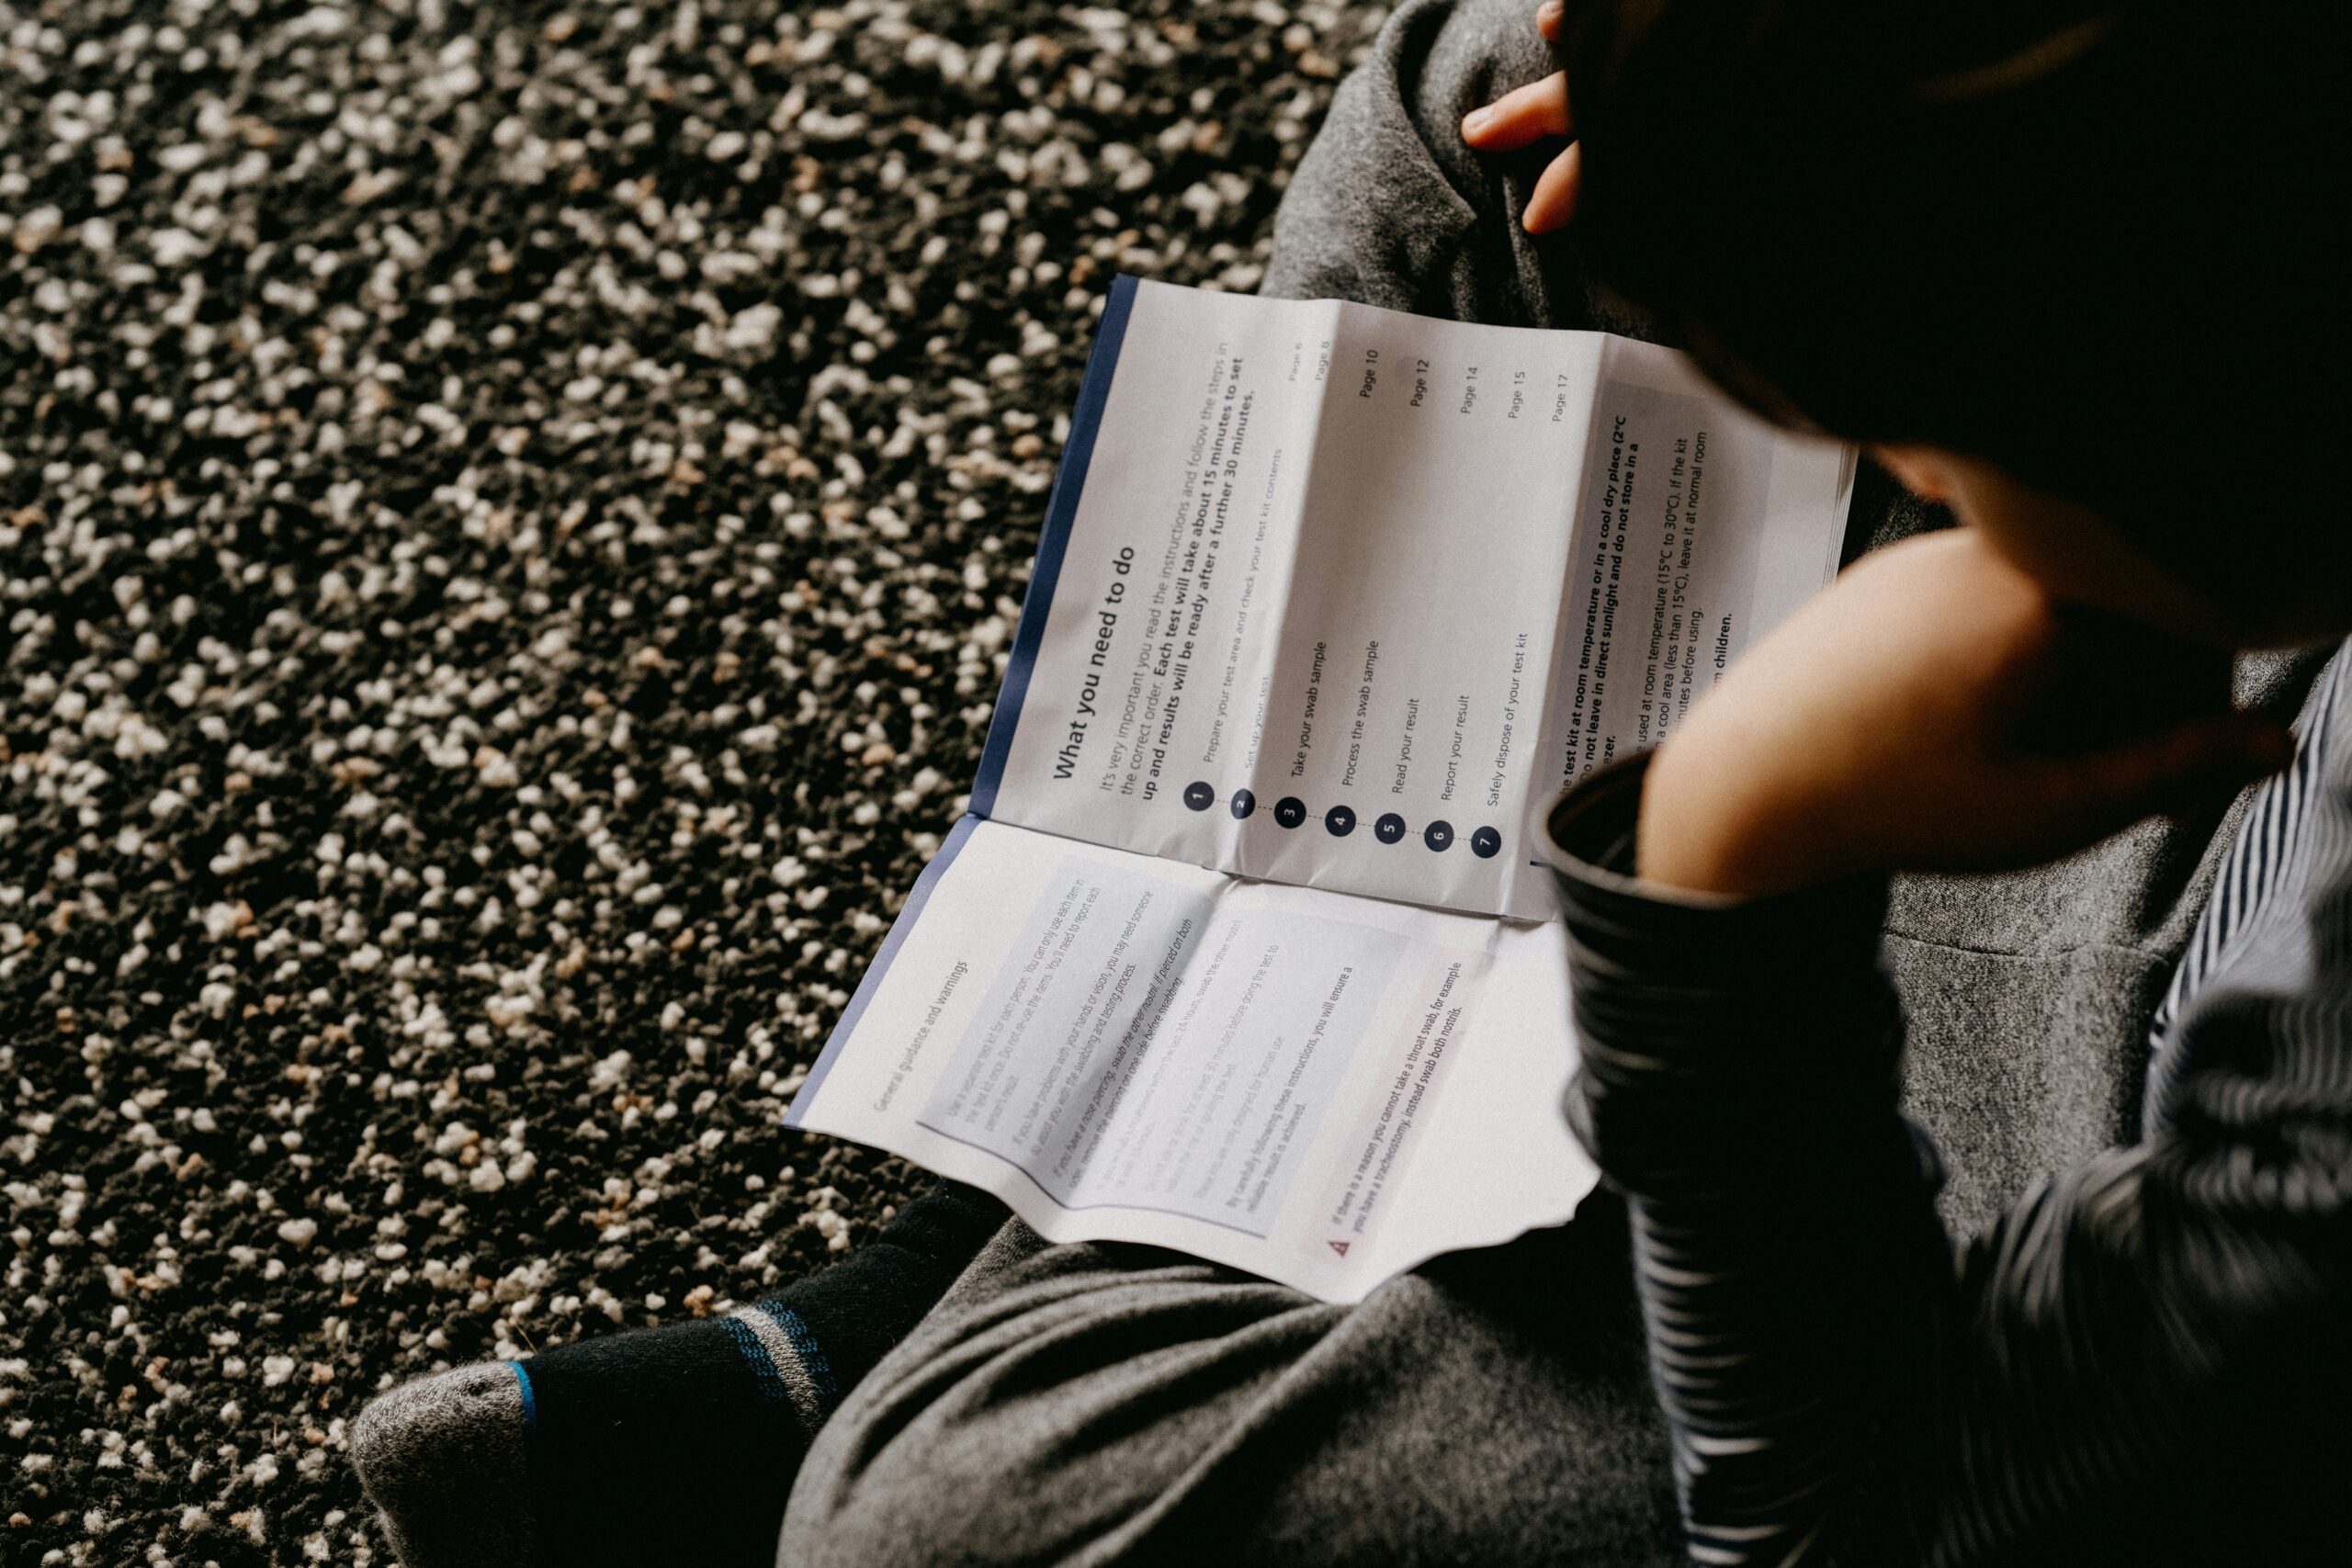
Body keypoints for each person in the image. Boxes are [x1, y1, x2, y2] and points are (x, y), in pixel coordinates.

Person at [353, 1, 2348, 1562]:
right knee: (1499, 101)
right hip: (2232, 667)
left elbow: (1846, 1512)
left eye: (1897, 421)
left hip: (2079, 1178)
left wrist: (1733, 861)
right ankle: (1130, 1179)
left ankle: (1077, 1199)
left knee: (949, 1530)